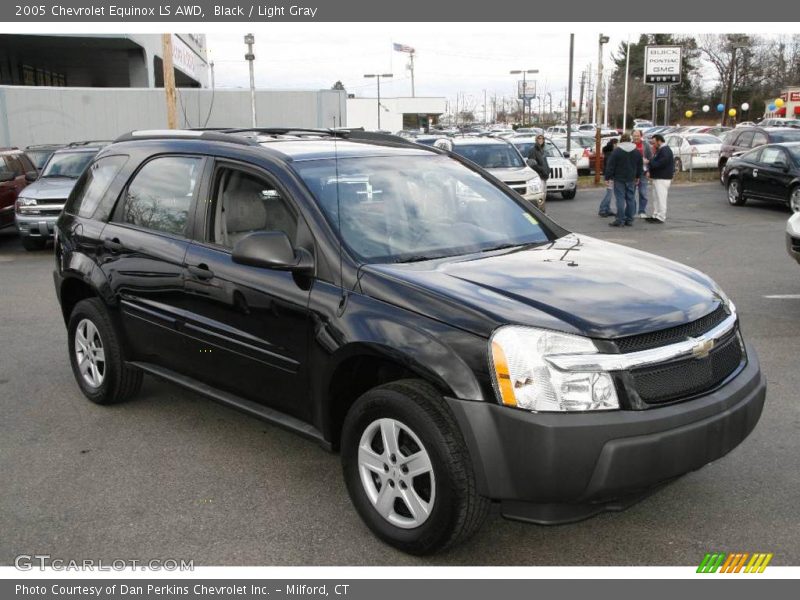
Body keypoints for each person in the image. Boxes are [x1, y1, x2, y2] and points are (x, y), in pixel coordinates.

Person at [604, 133, 643, 227]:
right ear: (630, 140)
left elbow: (611, 165)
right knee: (630, 198)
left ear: (621, 140)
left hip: (619, 178)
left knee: (620, 199)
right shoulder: (636, 151)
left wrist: (607, 177)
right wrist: (638, 176)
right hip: (631, 178)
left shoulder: (617, 151)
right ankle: (629, 219)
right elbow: (639, 165)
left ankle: (620, 219)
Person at [646, 134, 674, 224]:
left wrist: (649, 162)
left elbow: (660, 163)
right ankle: (656, 214)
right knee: (656, 197)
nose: (653, 145)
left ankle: (661, 216)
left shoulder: (665, 150)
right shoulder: (661, 150)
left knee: (661, 198)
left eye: (654, 143)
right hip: (657, 177)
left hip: (662, 178)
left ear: (659, 141)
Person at [632, 129, 653, 218]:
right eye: (634, 136)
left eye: (638, 136)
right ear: (632, 136)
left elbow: (651, 158)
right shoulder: (630, 145)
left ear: (641, 136)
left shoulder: (646, 145)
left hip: (643, 173)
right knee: (631, 193)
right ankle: (631, 211)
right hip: (632, 173)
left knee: (643, 193)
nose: (636, 137)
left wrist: (649, 170)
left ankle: (642, 211)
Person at [597, 138, 618, 217]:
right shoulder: (611, 154)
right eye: (616, 144)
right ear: (614, 144)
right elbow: (610, 167)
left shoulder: (608, 153)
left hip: (608, 175)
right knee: (609, 194)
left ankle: (607, 209)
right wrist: (608, 177)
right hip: (610, 176)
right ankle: (602, 209)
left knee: (609, 192)